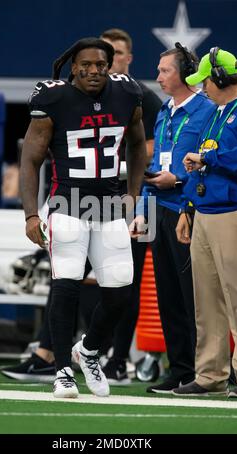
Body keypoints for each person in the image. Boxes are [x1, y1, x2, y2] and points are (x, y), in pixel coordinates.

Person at [1, 29, 161, 386]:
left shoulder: (127, 93)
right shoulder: (53, 98)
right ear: (73, 68)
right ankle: (61, 371)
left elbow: (137, 146)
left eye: (101, 65)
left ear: (110, 66)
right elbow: (30, 159)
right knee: (67, 284)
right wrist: (30, 214)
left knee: (120, 293)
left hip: (110, 206)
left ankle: (88, 350)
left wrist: (132, 196)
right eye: (86, 65)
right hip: (68, 203)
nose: (94, 71)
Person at [132, 43, 214, 393]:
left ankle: (205, 370)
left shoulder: (207, 111)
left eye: (164, 70)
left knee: (193, 295)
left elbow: (209, 162)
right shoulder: (165, 111)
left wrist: (179, 181)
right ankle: (179, 369)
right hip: (158, 209)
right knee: (167, 295)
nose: (158, 76)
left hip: (189, 211)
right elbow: (154, 167)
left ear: (184, 74)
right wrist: (141, 212)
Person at [174, 47, 237, 398]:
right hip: (205, 211)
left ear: (219, 77)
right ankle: (210, 374)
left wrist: (209, 158)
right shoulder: (215, 112)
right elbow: (199, 162)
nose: (202, 87)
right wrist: (187, 207)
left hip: (236, 211)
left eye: (205, 80)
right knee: (206, 301)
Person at [99, 28, 162, 385]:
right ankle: (92, 350)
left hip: (136, 200)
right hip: (92, 197)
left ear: (128, 58)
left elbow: (153, 146)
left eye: (117, 52)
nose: (110, 58)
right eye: (105, 51)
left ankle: (119, 359)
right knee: (91, 277)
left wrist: (117, 163)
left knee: (127, 277)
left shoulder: (141, 96)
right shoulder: (88, 97)